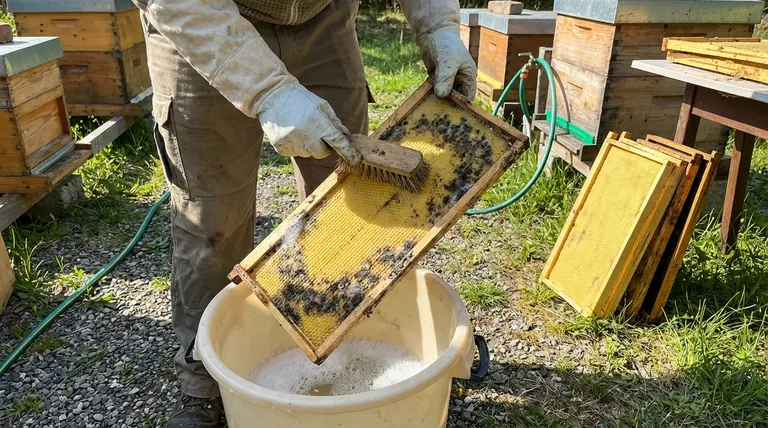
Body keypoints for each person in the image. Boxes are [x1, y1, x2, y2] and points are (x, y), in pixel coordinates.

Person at [132, 0, 476, 426]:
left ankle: (343, 342)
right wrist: (268, 90)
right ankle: (204, 385)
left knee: (352, 207)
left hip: (324, 18)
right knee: (213, 222)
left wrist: (437, 24)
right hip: (204, 17)